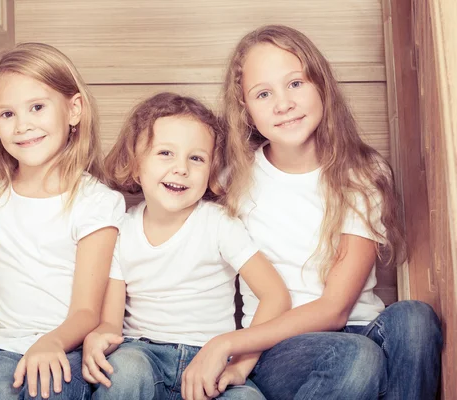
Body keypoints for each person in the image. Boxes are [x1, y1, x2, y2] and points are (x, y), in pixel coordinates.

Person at [181, 25, 442, 400]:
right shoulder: (233, 177)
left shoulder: (361, 172)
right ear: (246, 110)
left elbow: (336, 309)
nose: (283, 104)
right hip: (278, 346)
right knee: (354, 357)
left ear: (322, 85)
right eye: (263, 93)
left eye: (296, 84)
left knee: (415, 318)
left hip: (359, 329)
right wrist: (232, 347)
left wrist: (224, 343)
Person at [0, 42, 125, 400]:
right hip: (6, 348)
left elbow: (86, 310)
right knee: (1, 391)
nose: (23, 126)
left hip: (68, 348)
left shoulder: (96, 202)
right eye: (7, 114)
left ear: (74, 110)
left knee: (48, 392)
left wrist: (50, 343)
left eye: (36, 107)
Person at [82, 92, 290, 400]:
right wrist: (98, 338)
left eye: (196, 158)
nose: (181, 168)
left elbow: (276, 296)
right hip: (142, 354)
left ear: (211, 171)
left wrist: (240, 365)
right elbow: (111, 323)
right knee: (124, 370)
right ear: (135, 165)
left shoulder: (219, 223)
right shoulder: (121, 230)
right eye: (165, 153)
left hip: (209, 360)